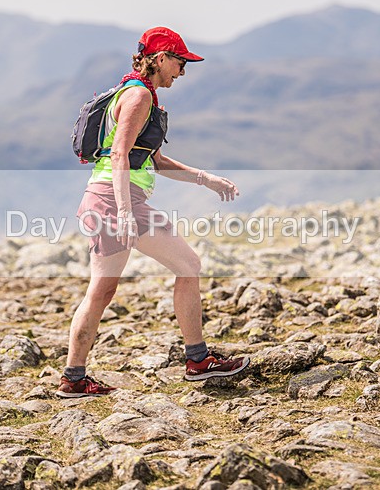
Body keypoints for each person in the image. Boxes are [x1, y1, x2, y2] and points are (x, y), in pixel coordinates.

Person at [57, 27, 250, 398]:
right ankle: (198, 360)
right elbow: (119, 155)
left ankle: (74, 378)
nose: (182, 72)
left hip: (102, 198)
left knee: (101, 290)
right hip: (118, 201)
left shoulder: (137, 93)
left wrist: (205, 179)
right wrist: (127, 212)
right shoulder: (140, 96)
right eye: (180, 63)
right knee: (189, 266)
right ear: (160, 58)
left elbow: (154, 160)